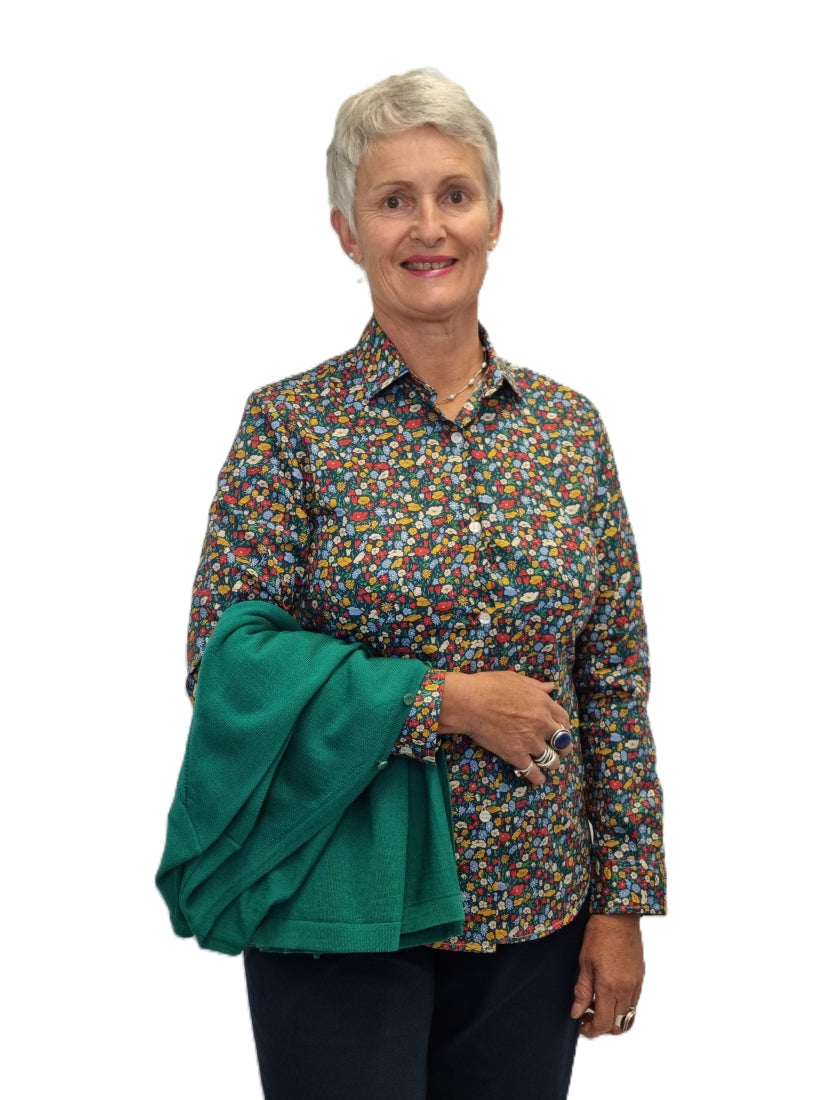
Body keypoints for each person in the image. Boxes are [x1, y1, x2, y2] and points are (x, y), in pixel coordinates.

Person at [157, 68, 666, 1100]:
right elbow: (225, 664)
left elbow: (613, 682)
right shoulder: (290, 428)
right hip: (339, 902)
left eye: (454, 194)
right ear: (348, 233)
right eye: (393, 200)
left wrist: (621, 903)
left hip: (535, 904)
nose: (428, 227)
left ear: (495, 218)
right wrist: (446, 702)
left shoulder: (568, 430)